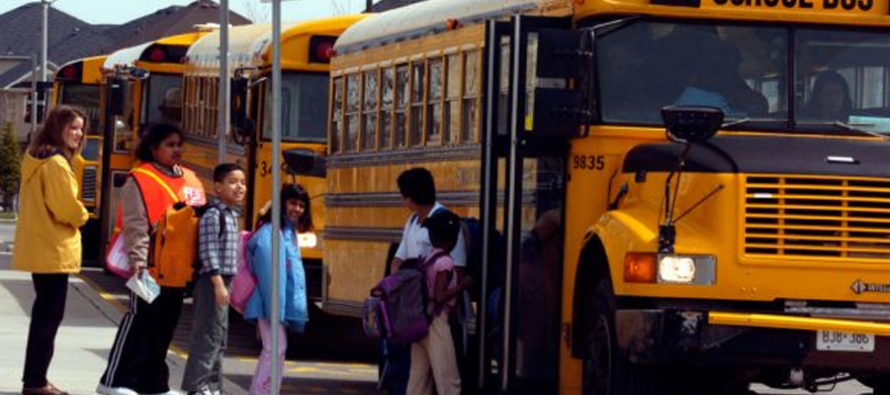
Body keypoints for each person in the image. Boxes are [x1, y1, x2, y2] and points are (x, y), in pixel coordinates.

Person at [98, 123, 206, 395]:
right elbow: (135, 224)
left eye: (179, 144)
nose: (177, 150)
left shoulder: (192, 179)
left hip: (179, 268)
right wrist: (138, 262)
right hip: (149, 265)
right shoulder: (139, 178)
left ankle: (154, 383)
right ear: (153, 147)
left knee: (164, 328)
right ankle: (115, 381)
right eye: (170, 144)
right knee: (140, 321)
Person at [13, 105, 90, 395]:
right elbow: (66, 208)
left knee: (43, 317)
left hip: (39, 247)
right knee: (48, 320)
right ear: (57, 128)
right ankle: (36, 382)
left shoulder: (36, 157)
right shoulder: (57, 164)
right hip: (54, 250)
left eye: (81, 129)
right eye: (73, 128)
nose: (79, 134)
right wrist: (82, 215)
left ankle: (35, 378)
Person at [383, 168, 468, 395]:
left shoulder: (447, 223)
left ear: (412, 197)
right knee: (419, 376)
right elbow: (398, 258)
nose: (403, 200)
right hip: (416, 309)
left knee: (445, 377)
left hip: (435, 311)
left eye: (404, 195)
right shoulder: (412, 221)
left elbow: (456, 268)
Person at [181, 163, 247, 395]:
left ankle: (212, 385)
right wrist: (219, 285)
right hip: (211, 282)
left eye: (242, 182)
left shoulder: (230, 215)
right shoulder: (213, 214)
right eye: (232, 182)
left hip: (223, 281)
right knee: (207, 336)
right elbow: (208, 252)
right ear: (217, 187)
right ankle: (196, 386)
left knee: (219, 337)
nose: (239, 187)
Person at [244, 184, 312, 395]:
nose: (297, 209)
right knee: (274, 349)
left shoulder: (287, 232)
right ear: (282, 203)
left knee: (275, 350)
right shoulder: (272, 233)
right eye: (293, 203)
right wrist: (275, 309)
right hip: (270, 302)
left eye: (301, 205)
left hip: (275, 303)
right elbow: (269, 275)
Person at [407, 210, 473, 395]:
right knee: (449, 380)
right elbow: (439, 296)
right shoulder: (445, 262)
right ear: (451, 239)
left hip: (420, 322)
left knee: (418, 381)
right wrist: (462, 286)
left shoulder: (427, 258)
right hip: (437, 322)